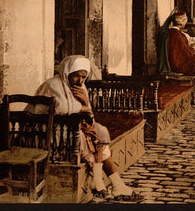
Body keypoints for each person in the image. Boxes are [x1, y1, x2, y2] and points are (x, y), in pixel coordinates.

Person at [30, 55, 142, 201]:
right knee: (87, 139)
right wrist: (84, 107)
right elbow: (61, 108)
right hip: (47, 130)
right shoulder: (53, 85)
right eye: (76, 76)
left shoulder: (80, 87)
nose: (80, 81)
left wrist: (85, 102)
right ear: (67, 72)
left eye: (83, 77)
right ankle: (105, 182)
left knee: (99, 132)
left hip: (70, 128)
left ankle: (111, 184)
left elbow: (89, 115)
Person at [157, 11, 195, 102]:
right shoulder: (178, 35)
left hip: (171, 62)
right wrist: (193, 52)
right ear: (183, 22)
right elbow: (185, 52)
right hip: (177, 65)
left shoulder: (169, 32)